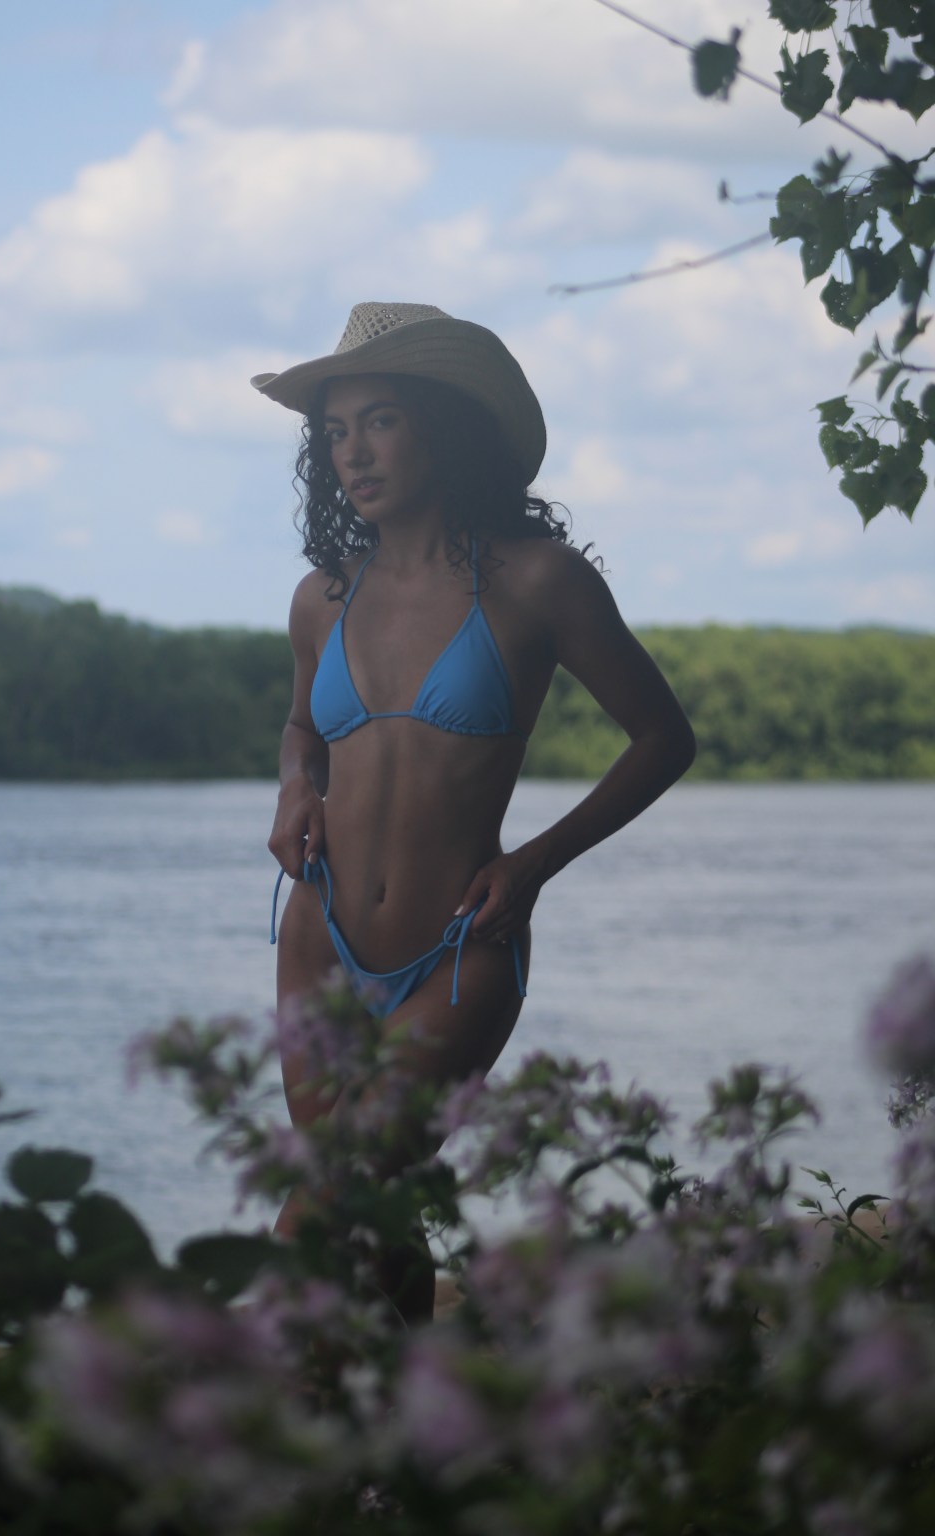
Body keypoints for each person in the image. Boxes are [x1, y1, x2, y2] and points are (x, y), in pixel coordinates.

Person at [254, 302, 696, 1322]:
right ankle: (405, 1443)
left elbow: (663, 740)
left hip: (458, 953)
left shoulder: (535, 582)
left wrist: (535, 861)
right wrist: (292, 784)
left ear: (443, 427)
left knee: (325, 1207)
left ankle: (271, 1438)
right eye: (333, 432)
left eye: (379, 421)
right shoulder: (322, 595)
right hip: (316, 940)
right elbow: (299, 728)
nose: (351, 453)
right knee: (375, 1210)